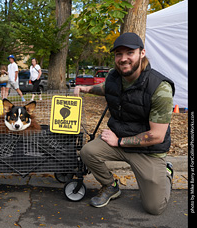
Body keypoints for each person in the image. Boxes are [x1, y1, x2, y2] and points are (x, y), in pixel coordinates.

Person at [74, 32, 175, 215]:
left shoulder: (160, 87)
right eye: (118, 54)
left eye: (130, 53)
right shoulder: (114, 77)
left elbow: (157, 135)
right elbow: (105, 89)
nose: (123, 59)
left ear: (142, 53)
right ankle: (110, 186)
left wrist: (119, 141)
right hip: (118, 139)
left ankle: (165, 173)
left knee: (154, 208)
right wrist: (85, 88)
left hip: (148, 151)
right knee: (88, 152)